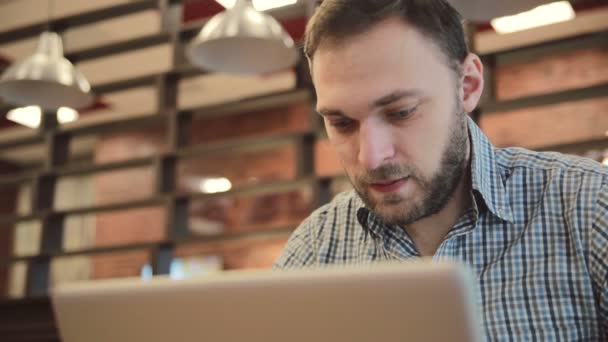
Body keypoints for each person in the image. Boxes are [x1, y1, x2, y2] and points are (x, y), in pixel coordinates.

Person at [273, 0, 608, 340]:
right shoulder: (318, 245)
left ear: (468, 86)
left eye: (401, 112)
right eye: (342, 123)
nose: (372, 157)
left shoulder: (589, 208)